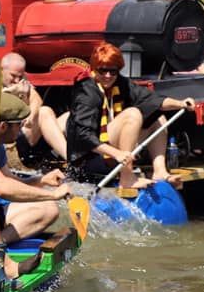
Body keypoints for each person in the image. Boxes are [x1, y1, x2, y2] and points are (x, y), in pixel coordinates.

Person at [65, 42, 194, 189]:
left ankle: (160, 171)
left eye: (112, 71)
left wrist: (181, 103)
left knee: (158, 117)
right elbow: (83, 135)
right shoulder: (86, 93)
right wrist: (117, 153)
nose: (108, 76)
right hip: (89, 160)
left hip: (114, 151)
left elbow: (151, 99)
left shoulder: (121, 83)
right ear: (94, 70)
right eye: (102, 71)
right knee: (132, 114)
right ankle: (127, 178)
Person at [0, 93, 71, 243]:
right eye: (19, 124)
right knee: (48, 204)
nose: (21, 130)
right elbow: (2, 187)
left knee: (48, 209)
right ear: (2, 126)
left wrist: (41, 180)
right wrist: (53, 195)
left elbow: (9, 180)